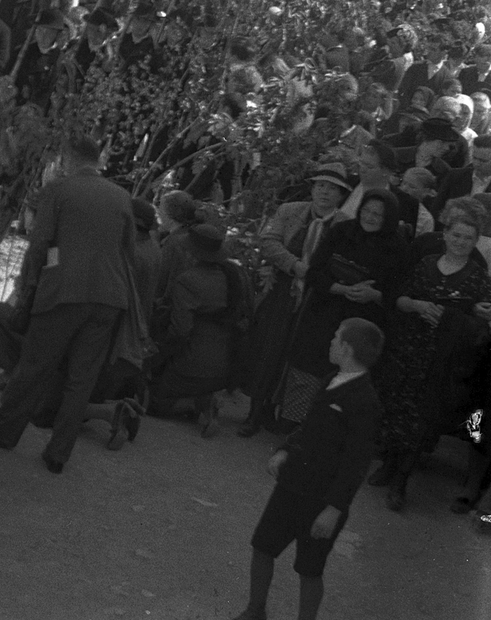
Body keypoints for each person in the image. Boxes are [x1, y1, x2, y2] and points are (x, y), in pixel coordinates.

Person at [0, 134, 135, 473]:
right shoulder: (121, 196)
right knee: (81, 378)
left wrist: (28, 285)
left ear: (67, 160)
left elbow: (39, 245)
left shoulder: (59, 191)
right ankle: (59, 451)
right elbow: (127, 252)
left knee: (34, 366)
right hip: (108, 296)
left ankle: (6, 431)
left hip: (63, 291)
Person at [229, 319, 385, 620]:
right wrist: (286, 449)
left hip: (321, 498)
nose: (331, 340)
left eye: (336, 336)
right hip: (293, 484)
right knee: (262, 545)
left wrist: (334, 508)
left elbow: (356, 463)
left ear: (347, 348)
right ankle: (255, 611)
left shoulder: (365, 402)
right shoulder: (332, 379)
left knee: (310, 569)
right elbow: (310, 427)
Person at [370, 197, 491, 510]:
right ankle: (388, 465)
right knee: (396, 406)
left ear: (476, 241)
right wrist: (418, 305)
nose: (461, 242)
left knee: (422, 417)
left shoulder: (478, 277)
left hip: (443, 360)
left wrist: (461, 314)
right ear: (445, 234)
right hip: (409, 350)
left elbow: (481, 325)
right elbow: (400, 299)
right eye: (456, 235)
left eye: (468, 238)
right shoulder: (426, 263)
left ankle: (401, 482)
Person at [278, 188, 411, 425]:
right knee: (309, 365)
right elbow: (315, 273)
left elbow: (399, 292)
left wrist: (374, 294)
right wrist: (342, 289)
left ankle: (325, 430)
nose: (370, 217)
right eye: (367, 211)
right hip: (324, 312)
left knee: (345, 374)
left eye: (377, 215)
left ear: (388, 218)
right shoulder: (341, 232)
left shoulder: (398, 248)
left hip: (363, 320)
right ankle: (294, 422)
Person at [239, 165, 355, 436]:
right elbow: (269, 241)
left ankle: (282, 412)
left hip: (317, 300)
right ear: (312, 188)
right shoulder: (290, 211)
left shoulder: (345, 225)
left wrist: (318, 278)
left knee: (298, 356)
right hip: (282, 290)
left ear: (342, 195)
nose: (325, 192)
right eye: (320, 185)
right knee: (269, 348)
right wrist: (294, 265)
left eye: (332, 188)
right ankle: (254, 412)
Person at [146, 221, 248, 435]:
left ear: (191, 252)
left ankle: (195, 404)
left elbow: (180, 332)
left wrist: (157, 358)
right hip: (225, 366)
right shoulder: (237, 275)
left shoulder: (189, 280)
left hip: (192, 365)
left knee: (150, 401)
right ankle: (204, 399)